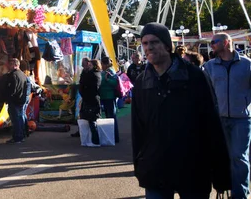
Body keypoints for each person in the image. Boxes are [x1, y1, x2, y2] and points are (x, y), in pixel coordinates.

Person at [132, 23, 231, 199]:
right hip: (156, 167)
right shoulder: (141, 82)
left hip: (192, 165)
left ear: (167, 45)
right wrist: (139, 165)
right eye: (145, 43)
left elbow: (211, 124)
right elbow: (138, 129)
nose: (149, 47)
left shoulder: (194, 77)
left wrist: (221, 175)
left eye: (154, 42)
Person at [204, 33, 251, 199]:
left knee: (239, 157)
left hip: (242, 119)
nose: (211, 46)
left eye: (214, 42)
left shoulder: (247, 65)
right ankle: (223, 187)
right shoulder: (209, 66)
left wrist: (246, 104)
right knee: (221, 157)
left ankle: (240, 195)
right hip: (220, 118)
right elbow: (207, 92)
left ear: (226, 42)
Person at [1, 58, 28, 144]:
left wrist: (7, 98)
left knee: (15, 119)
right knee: (19, 118)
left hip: (14, 100)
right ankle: (21, 136)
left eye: (11, 64)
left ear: (15, 65)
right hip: (21, 99)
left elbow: (12, 89)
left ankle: (17, 137)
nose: (9, 66)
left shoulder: (13, 75)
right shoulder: (23, 75)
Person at [79, 59, 102, 146]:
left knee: (92, 120)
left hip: (91, 99)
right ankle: (91, 139)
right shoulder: (94, 74)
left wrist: (84, 89)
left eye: (90, 65)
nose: (88, 66)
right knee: (89, 119)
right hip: (90, 98)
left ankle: (95, 141)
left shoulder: (94, 74)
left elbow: (85, 83)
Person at [99, 56, 120, 143]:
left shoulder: (111, 71)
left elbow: (115, 83)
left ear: (105, 64)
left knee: (111, 117)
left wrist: (107, 80)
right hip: (104, 97)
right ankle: (111, 136)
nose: (101, 66)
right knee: (108, 117)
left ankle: (115, 136)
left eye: (102, 64)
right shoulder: (104, 71)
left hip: (109, 97)